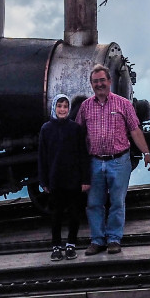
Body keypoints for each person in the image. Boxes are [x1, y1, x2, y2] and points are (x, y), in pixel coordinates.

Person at [75, 64, 150, 256]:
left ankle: (114, 239)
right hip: (95, 161)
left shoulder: (123, 104)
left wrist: (146, 153)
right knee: (94, 203)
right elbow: (77, 135)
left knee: (117, 202)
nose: (99, 84)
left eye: (102, 80)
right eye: (96, 81)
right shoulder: (85, 107)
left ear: (109, 81)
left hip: (119, 161)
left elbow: (135, 130)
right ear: (91, 85)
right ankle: (97, 240)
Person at [37, 94, 90, 260]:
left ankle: (71, 245)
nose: (62, 109)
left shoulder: (75, 129)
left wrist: (85, 179)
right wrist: (43, 180)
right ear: (54, 108)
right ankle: (56, 246)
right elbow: (42, 157)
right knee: (56, 215)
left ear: (69, 109)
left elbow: (83, 155)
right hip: (55, 180)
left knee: (74, 214)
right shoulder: (46, 129)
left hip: (73, 179)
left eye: (65, 106)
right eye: (59, 106)